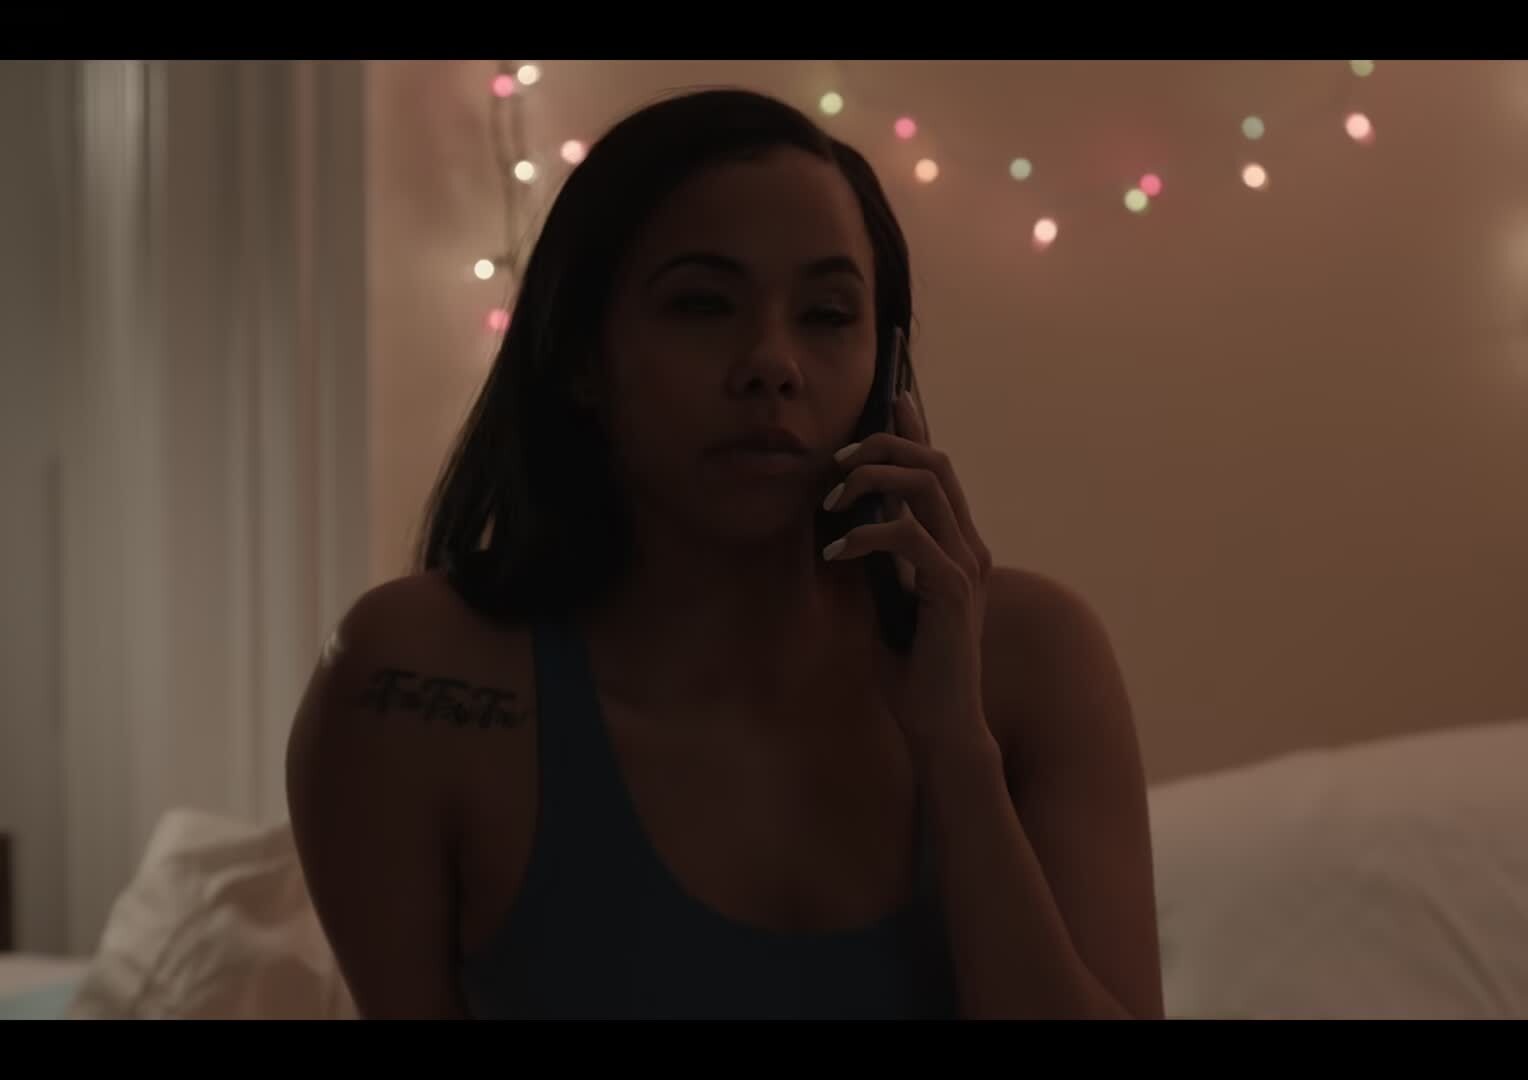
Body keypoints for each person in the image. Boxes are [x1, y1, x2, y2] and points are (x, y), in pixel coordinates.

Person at [285, 86, 1164, 1020]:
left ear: (885, 360)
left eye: (828, 314)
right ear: (579, 352)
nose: (772, 363)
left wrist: (957, 755)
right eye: (703, 304)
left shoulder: (1026, 659)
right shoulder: (416, 680)